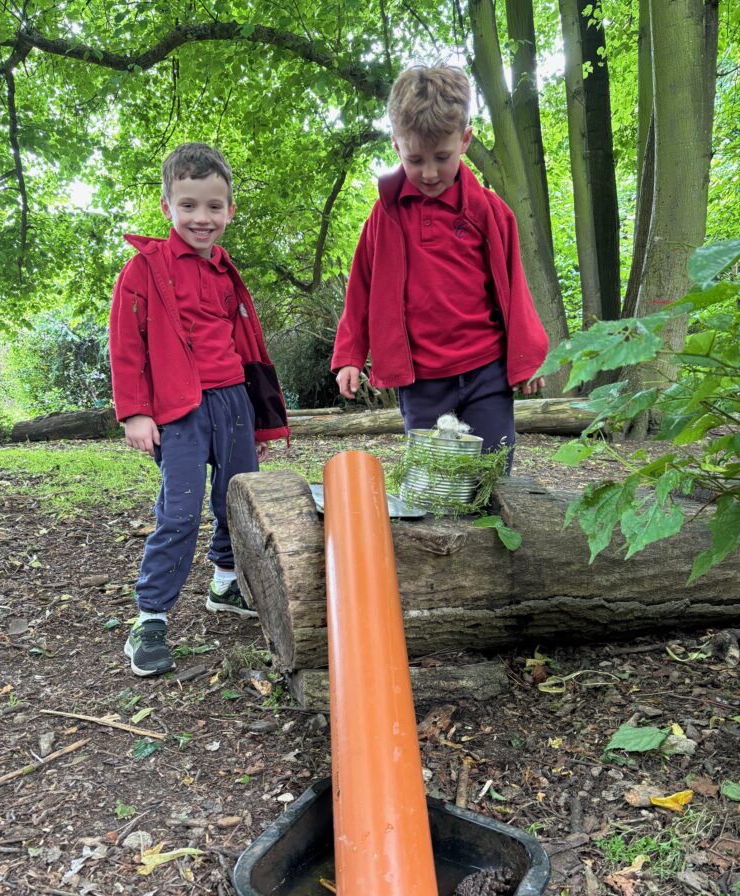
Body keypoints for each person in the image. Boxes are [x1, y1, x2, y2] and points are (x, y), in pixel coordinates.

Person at [109, 142, 288, 677]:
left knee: (236, 501)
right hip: (178, 411)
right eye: (188, 206)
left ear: (230, 210)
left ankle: (226, 584)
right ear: (167, 208)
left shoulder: (226, 273)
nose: (202, 218)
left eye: (214, 207)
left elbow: (247, 344)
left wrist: (259, 417)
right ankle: (151, 619)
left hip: (233, 400)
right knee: (180, 512)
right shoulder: (143, 270)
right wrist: (136, 413)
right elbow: (126, 345)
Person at [331, 65, 547, 463]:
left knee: (491, 472)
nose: (429, 173)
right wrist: (350, 355)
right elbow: (360, 290)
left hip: (486, 372)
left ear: (465, 140)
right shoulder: (385, 217)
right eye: (416, 159)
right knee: (433, 480)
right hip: (422, 379)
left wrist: (526, 358)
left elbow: (514, 288)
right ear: (397, 147)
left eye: (441, 157)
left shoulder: (490, 213)